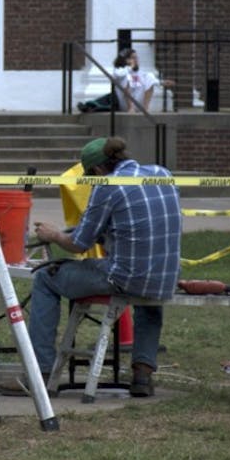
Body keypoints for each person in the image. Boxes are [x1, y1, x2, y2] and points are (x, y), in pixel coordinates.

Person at [26, 136, 181, 397]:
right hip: (165, 276)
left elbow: (78, 243)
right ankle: (142, 374)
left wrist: (53, 235)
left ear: (97, 171)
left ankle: (39, 373)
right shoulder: (161, 173)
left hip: (123, 276)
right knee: (148, 290)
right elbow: (138, 225)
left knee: (44, 278)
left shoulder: (106, 186)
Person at [118, 49, 175, 113]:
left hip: (138, 103)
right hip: (125, 104)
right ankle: (131, 108)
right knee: (126, 79)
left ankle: (145, 109)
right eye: (133, 58)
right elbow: (119, 75)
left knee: (149, 76)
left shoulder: (141, 73)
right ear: (127, 60)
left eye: (136, 57)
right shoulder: (121, 71)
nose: (136, 60)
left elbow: (150, 80)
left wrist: (162, 82)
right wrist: (130, 67)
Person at [77, 48, 133, 113]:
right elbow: (120, 74)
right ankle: (88, 106)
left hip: (120, 99)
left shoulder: (132, 71)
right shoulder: (120, 69)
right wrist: (130, 67)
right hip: (116, 96)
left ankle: (90, 108)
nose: (133, 60)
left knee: (106, 106)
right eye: (130, 58)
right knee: (101, 102)